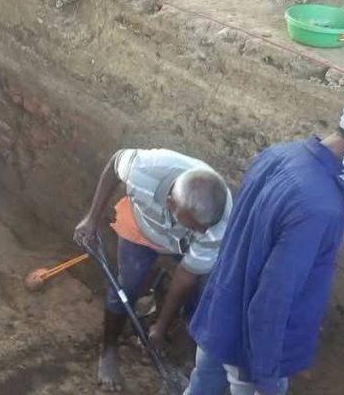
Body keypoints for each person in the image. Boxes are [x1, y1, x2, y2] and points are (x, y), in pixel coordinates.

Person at [184, 92, 344, 395]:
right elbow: (275, 296)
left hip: (219, 319)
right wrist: (265, 378)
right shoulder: (320, 205)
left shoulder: (278, 155)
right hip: (250, 351)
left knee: (201, 387)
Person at [74, 148, 232, 392]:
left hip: (183, 244)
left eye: (204, 227)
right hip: (142, 228)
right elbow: (115, 164)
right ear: (170, 204)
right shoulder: (144, 170)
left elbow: (185, 277)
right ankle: (109, 350)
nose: (203, 232)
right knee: (126, 287)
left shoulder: (216, 222)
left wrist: (161, 327)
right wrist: (92, 219)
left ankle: (181, 348)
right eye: (195, 225)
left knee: (204, 295)